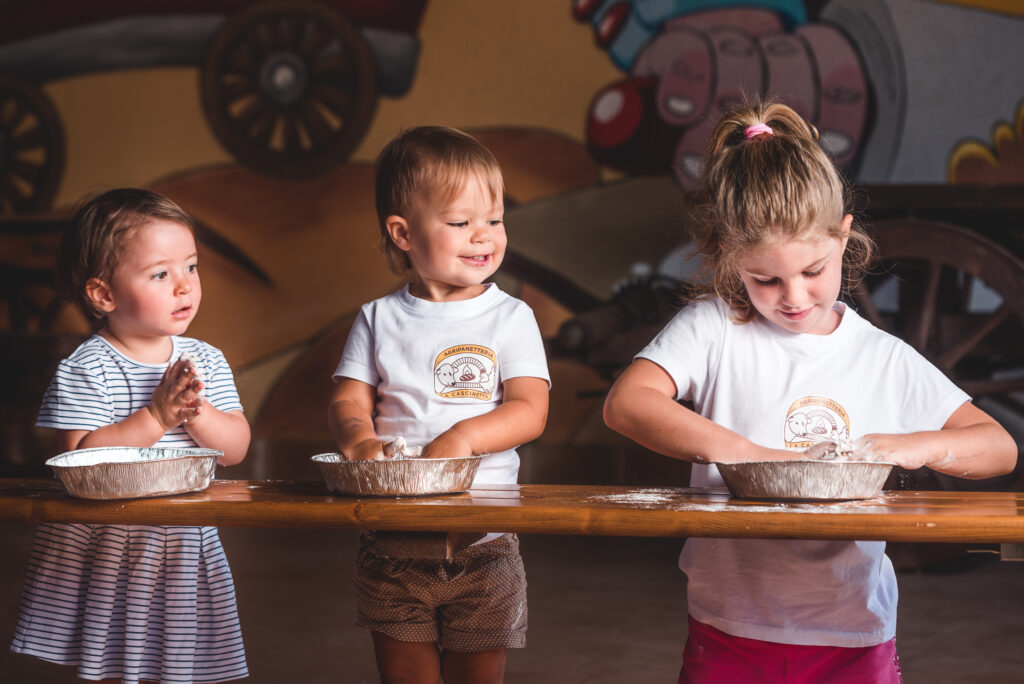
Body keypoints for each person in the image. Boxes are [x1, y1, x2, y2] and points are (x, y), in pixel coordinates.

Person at [602, 102, 1018, 683]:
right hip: (728, 626)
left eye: (813, 270)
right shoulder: (715, 328)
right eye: (765, 279)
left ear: (844, 237)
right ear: (729, 255)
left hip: (852, 632)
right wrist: (758, 458)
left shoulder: (881, 356)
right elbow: (627, 404)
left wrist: (903, 446)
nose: (793, 297)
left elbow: (997, 447)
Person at [328, 126, 550, 684]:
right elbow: (348, 398)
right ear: (403, 233)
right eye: (460, 223)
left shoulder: (510, 318)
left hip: (485, 541)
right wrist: (357, 438)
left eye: (494, 220)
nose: (483, 237)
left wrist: (464, 439)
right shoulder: (378, 319)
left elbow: (530, 408)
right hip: (393, 541)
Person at [10, 188, 252, 683]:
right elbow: (75, 462)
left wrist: (195, 413)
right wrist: (157, 417)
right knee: (118, 665)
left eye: (191, 266)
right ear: (103, 294)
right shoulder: (87, 368)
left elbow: (235, 451)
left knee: (177, 664)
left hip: (184, 546)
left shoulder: (205, 360)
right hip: (110, 550)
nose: (184, 286)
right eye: (161, 274)